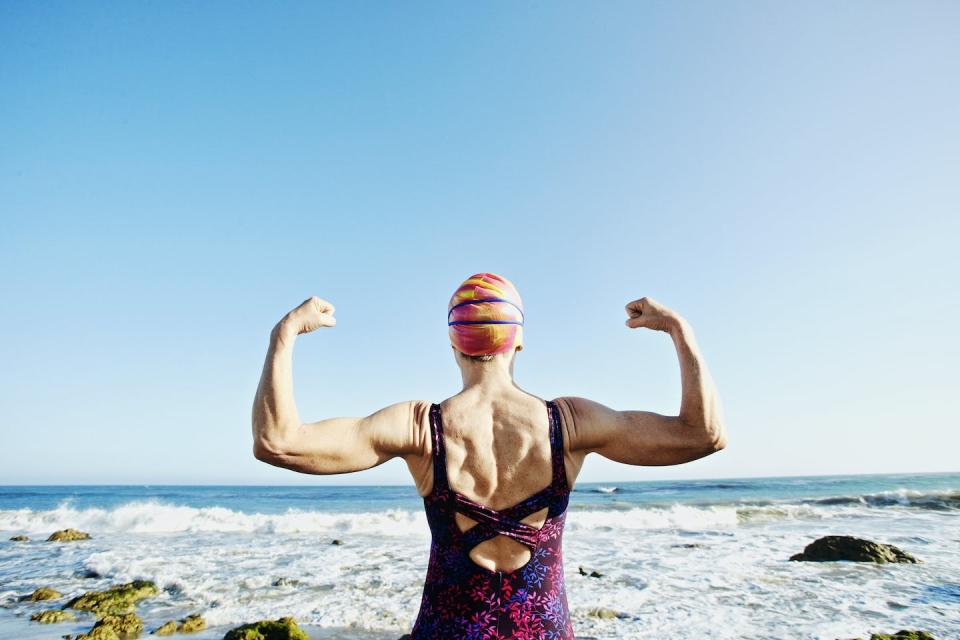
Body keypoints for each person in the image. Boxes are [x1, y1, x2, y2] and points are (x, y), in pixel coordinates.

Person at [251, 272, 727, 639]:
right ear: (518, 339)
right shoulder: (571, 423)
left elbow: (278, 442)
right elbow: (702, 434)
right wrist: (678, 330)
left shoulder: (420, 427)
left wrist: (284, 334)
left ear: (454, 340)